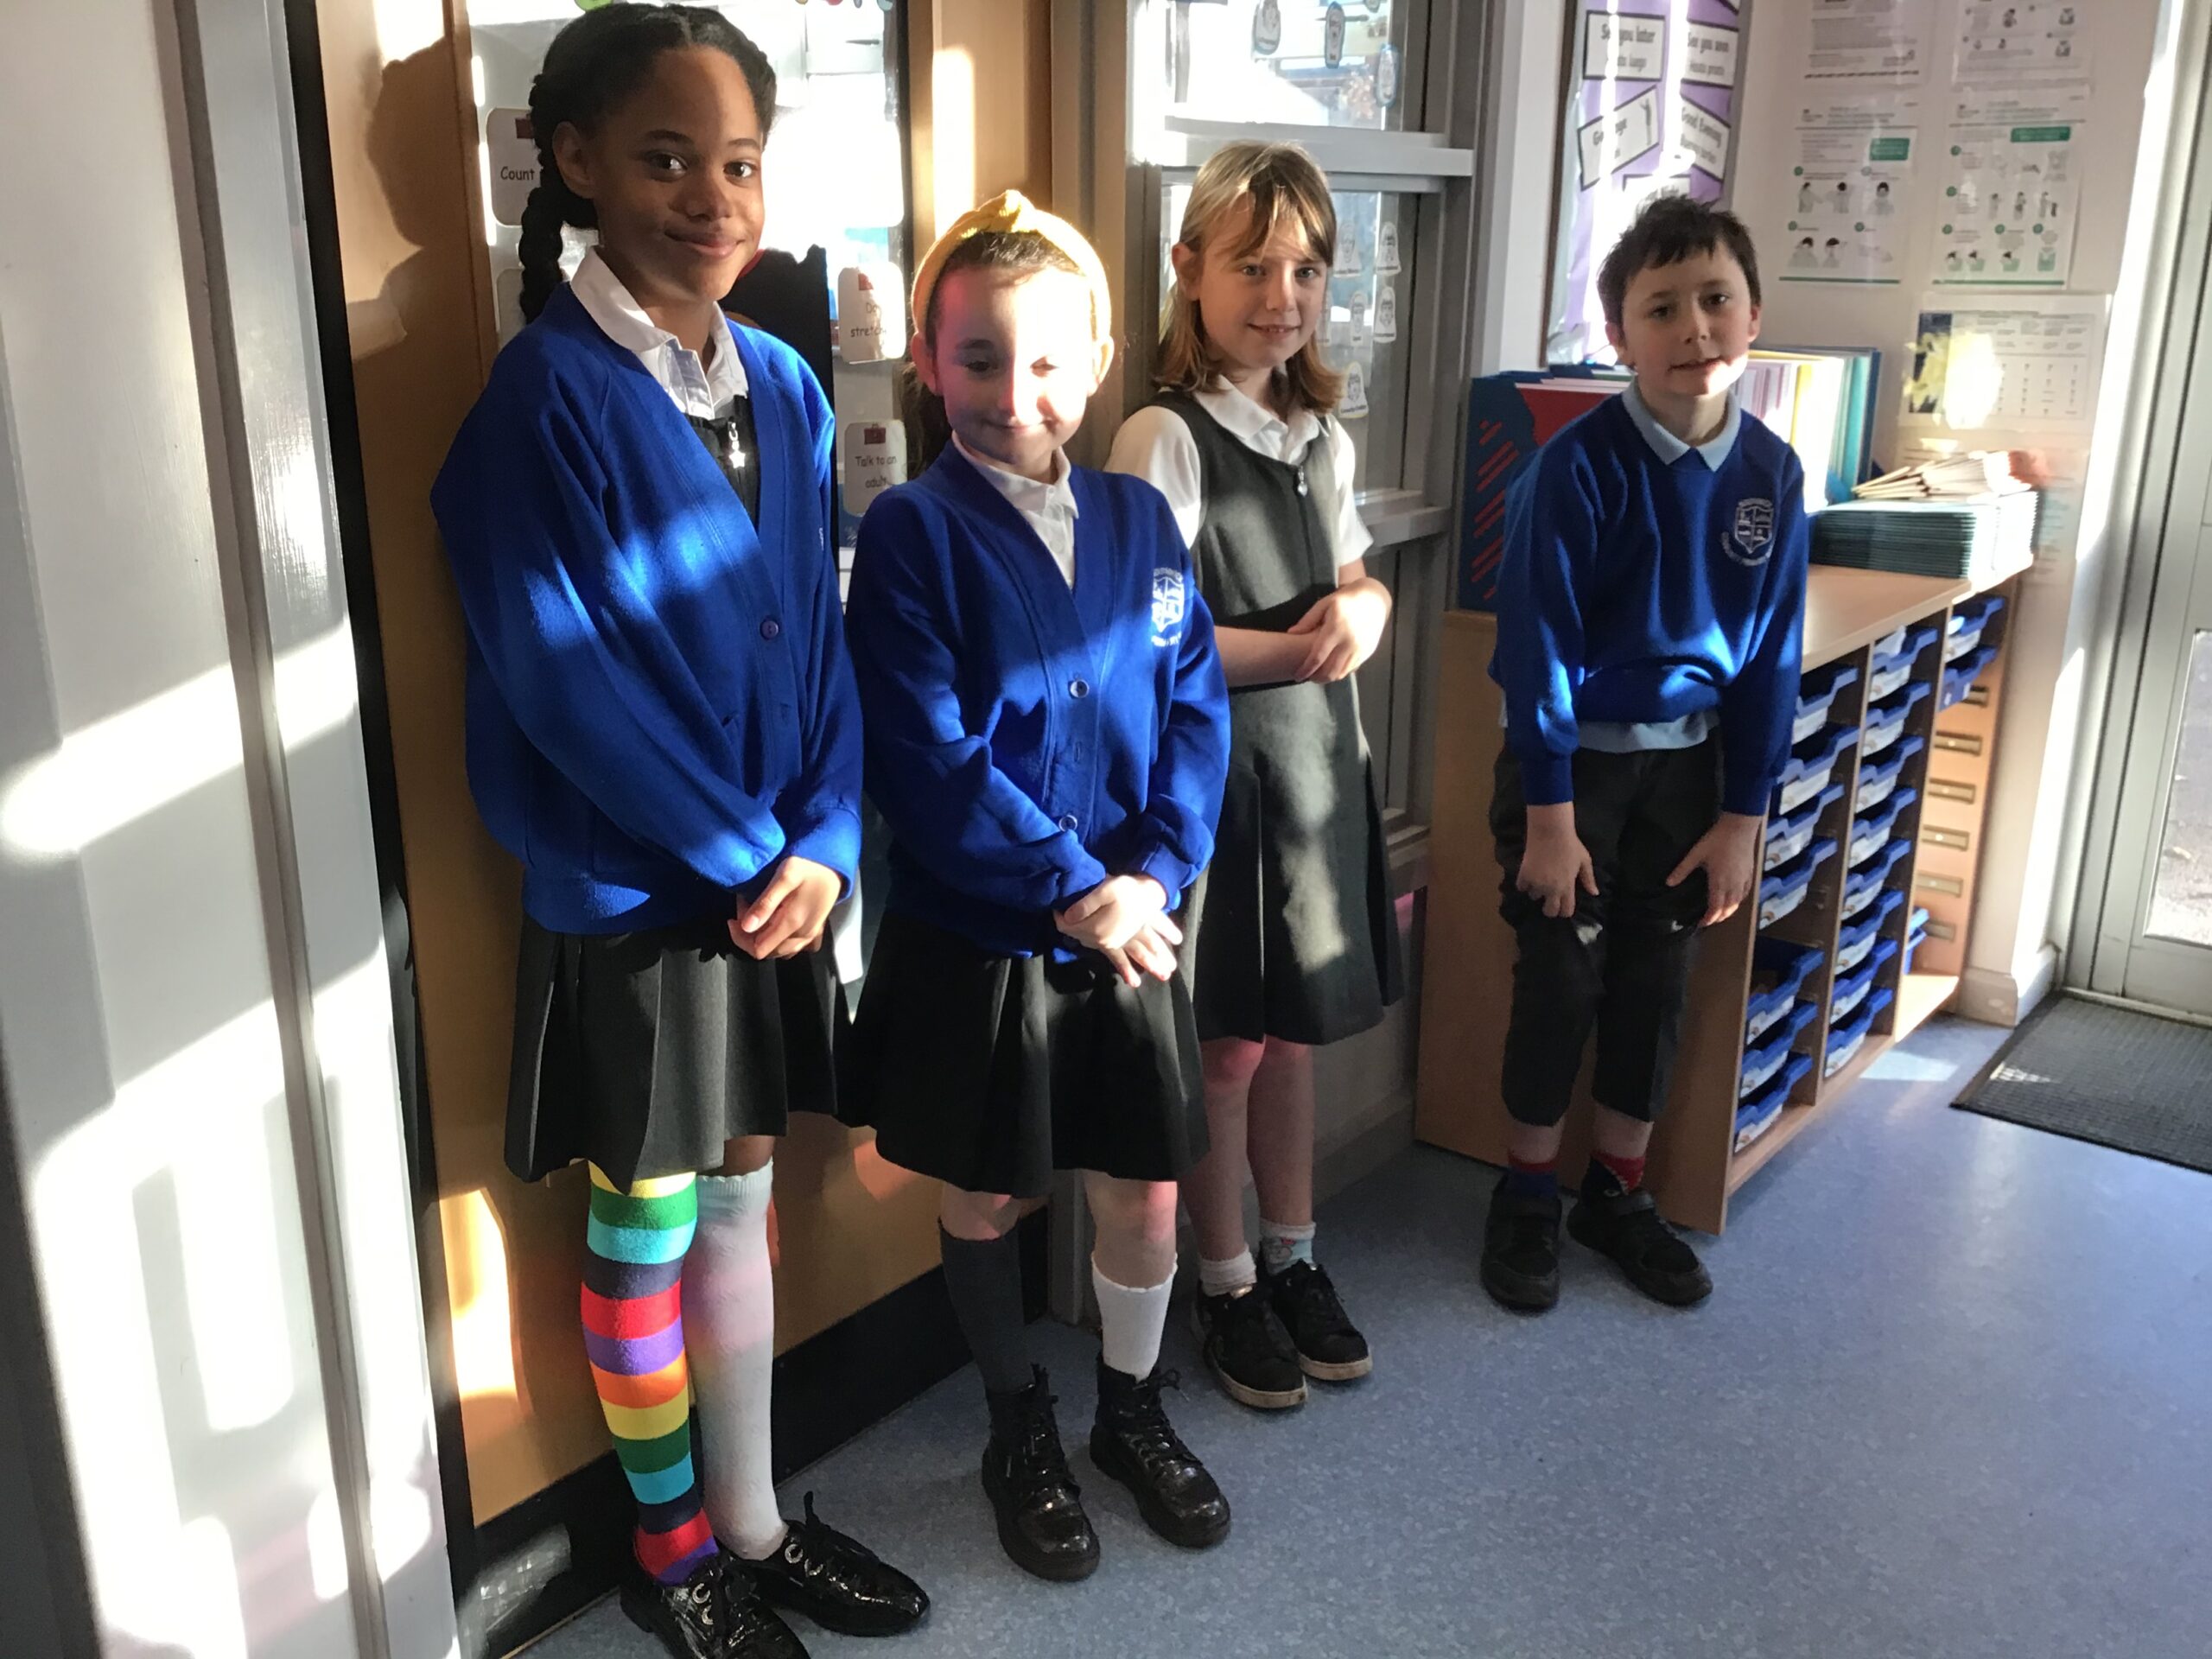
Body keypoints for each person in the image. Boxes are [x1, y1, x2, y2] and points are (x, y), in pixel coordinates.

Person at [429, 9, 926, 1655]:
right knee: (641, 1227)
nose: (713, 199)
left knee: (739, 1199)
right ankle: (671, 1549)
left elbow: (823, 634)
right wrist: (745, 853)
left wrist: (828, 833)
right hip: (644, 899)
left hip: (780, 883)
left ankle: (758, 1520)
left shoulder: (782, 383)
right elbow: (563, 682)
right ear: (576, 162)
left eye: (740, 164)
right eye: (666, 159)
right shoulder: (540, 401)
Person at [842, 193, 1234, 1583]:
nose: (1017, 394)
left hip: (1134, 926)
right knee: (987, 1193)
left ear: (1103, 357)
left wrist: (1156, 871)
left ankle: (1129, 1408)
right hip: (988, 936)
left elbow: (1197, 708)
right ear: (929, 364)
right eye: (980, 359)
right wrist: (1078, 889)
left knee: (1145, 1190)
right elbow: (925, 754)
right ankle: (1019, 1425)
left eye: (1051, 360)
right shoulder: (912, 532)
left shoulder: (1140, 518)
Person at [1106, 142, 1402, 1413]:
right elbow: (1144, 639)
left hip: (1315, 778)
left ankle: (1294, 1255)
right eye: (1252, 267)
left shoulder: (1320, 438)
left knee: (1293, 1040)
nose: (1281, 296)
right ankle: (1222, 1280)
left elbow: (1356, 577)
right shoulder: (1163, 437)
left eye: (1306, 271)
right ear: (1190, 271)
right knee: (1225, 1050)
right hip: (1218, 789)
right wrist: (1294, 651)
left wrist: (1369, 609)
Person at [1479, 193, 1808, 1314]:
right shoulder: (1575, 469)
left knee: (1654, 982)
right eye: (1661, 308)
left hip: (1691, 777)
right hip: (1570, 774)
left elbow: (1771, 658)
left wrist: (1743, 818)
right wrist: (1551, 818)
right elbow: (1535, 649)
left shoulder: (1772, 474)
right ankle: (1528, 1191)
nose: (1694, 328)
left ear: (1753, 316)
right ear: (1619, 335)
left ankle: (1615, 1194)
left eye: (1715, 300)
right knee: (1560, 979)